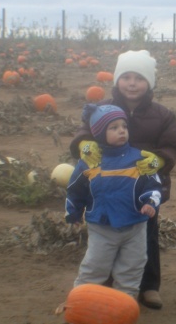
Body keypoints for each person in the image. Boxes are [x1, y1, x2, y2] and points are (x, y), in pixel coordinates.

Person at [69, 50, 176, 309]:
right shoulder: (100, 110)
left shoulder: (162, 115)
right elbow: (83, 132)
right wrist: (84, 143)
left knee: (147, 238)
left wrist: (161, 161)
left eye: (139, 78)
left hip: (143, 191)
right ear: (117, 80)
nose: (132, 83)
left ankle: (149, 286)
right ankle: (109, 284)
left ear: (149, 83)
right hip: (107, 189)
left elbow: (173, 144)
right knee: (106, 239)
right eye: (127, 77)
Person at [65, 104, 162, 299]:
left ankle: (125, 301)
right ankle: (80, 301)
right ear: (99, 134)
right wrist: (73, 213)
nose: (121, 131)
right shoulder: (90, 161)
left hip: (135, 225)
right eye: (114, 127)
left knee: (132, 267)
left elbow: (153, 185)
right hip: (102, 227)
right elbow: (75, 189)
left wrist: (150, 203)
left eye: (124, 126)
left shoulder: (139, 159)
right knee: (95, 266)